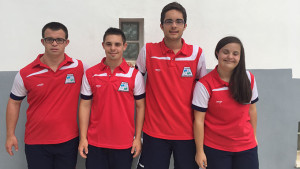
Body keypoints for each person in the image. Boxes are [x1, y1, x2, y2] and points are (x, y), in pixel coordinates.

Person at [136, 2, 207, 169]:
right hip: (155, 132)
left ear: (185, 25)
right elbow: (135, 85)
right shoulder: (148, 51)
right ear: (161, 26)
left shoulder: (197, 53)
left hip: (188, 134)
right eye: (169, 21)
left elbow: (203, 96)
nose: (174, 25)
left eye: (178, 21)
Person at [5, 22, 86, 169]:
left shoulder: (78, 67)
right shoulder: (26, 73)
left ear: (66, 43)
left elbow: (100, 74)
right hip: (36, 142)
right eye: (49, 39)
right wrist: (10, 134)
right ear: (43, 41)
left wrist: (126, 65)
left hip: (68, 141)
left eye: (59, 40)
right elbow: (14, 103)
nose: (54, 43)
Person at [78, 27, 145, 169]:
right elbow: (85, 105)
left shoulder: (134, 75)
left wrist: (138, 138)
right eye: (109, 44)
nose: (113, 48)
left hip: (124, 143)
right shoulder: (91, 73)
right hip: (95, 143)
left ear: (124, 46)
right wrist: (83, 138)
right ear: (103, 45)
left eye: (117, 44)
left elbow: (140, 107)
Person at [192, 36, 259, 169]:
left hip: (247, 148)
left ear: (240, 57)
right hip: (216, 149)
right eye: (225, 52)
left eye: (235, 53)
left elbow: (252, 110)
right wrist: (200, 151)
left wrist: (254, 137)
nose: (230, 57)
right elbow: (198, 120)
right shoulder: (204, 84)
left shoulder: (248, 78)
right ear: (217, 53)